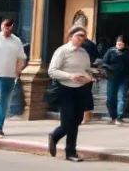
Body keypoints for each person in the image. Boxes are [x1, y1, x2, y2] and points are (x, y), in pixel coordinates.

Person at [48, 26, 94, 163]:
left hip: (80, 88)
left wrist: (91, 76)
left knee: (77, 120)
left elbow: (86, 69)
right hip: (65, 88)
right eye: (79, 35)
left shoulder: (84, 53)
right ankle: (59, 140)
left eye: (83, 36)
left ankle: (68, 149)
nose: (81, 38)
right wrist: (70, 76)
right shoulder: (62, 51)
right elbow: (52, 71)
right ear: (71, 36)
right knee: (68, 121)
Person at [102, 35, 129, 124]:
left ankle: (119, 117)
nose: (119, 44)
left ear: (125, 44)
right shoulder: (110, 51)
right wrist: (109, 69)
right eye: (118, 42)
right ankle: (113, 116)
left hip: (124, 78)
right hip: (112, 77)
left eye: (121, 43)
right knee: (110, 98)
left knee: (121, 97)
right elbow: (104, 63)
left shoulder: (128, 54)